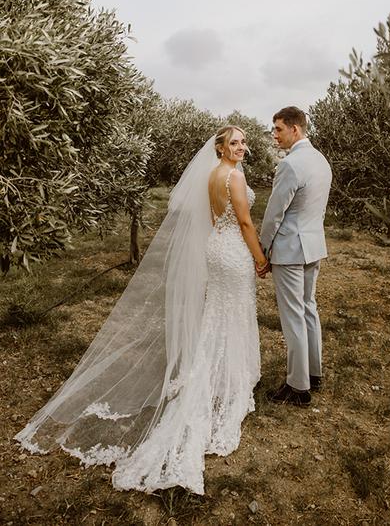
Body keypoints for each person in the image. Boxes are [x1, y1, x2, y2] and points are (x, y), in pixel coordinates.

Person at [15, 125, 268, 495]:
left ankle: (222, 371)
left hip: (216, 248)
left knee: (218, 313)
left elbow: (216, 219)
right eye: (235, 142)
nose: (242, 147)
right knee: (232, 313)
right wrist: (259, 258)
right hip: (232, 253)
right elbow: (244, 222)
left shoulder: (214, 175)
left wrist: (225, 245)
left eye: (244, 142)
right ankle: (229, 376)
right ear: (220, 147)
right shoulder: (234, 176)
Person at [260, 106, 332, 407]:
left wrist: (262, 250)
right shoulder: (321, 160)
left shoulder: (290, 165)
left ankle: (298, 387)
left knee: (293, 318)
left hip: (290, 250)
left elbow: (274, 214)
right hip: (313, 245)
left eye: (278, 129)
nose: (274, 135)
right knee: (308, 309)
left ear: (295, 129)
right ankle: (313, 373)